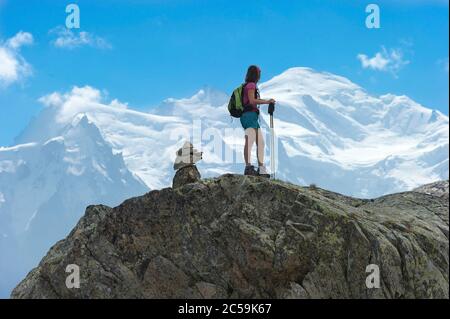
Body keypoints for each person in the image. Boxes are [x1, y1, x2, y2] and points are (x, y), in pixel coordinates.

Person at [240, 65, 276, 176]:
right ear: (255, 74)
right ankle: (249, 168)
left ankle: (260, 168)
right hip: (249, 115)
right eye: (259, 73)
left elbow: (252, 100)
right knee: (250, 141)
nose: (260, 75)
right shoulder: (251, 85)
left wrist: (266, 101)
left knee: (260, 142)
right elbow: (251, 101)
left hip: (250, 116)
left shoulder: (250, 85)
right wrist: (266, 102)